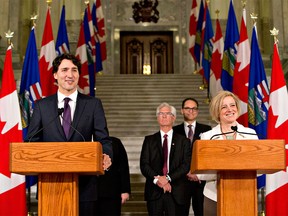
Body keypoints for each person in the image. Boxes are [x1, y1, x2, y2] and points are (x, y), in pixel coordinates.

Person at [25, 53, 113, 216]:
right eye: (64, 70)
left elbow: (104, 139)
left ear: (79, 75)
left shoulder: (93, 104)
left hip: (85, 187)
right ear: (55, 75)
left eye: (74, 70)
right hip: (49, 187)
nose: (69, 75)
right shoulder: (41, 106)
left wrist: (106, 155)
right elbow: (31, 140)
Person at [196, 90, 258, 215]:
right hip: (214, 196)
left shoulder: (250, 134)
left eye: (232, 105)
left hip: (245, 194)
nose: (229, 109)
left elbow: (260, 168)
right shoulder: (208, 137)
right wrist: (224, 170)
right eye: (224, 107)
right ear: (217, 112)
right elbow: (200, 174)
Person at [140, 102, 191, 215]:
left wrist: (167, 178)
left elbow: (185, 165)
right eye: (161, 113)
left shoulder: (184, 141)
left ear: (173, 118)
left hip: (176, 192)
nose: (163, 116)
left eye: (167, 113)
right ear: (157, 117)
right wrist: (158, 180)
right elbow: (144, 165)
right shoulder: (149, 140)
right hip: (154, 192)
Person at [173, 97, 211, 216]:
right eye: (188, 108)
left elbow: (207, 154)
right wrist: (186, 171)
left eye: (194, 108)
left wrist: (197, 173)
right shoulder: (174, 131)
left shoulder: (207, 130)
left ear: (197, 111)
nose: (191, 111)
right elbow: (173, 156)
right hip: (180, 181)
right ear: (182, 111)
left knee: (200, 212)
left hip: (200, 181)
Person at [95, 136, 131, 216]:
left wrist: (125, 190)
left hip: (111, 193)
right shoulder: (82, 140)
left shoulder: (115, 142)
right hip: (87, 193)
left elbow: (123, 166)